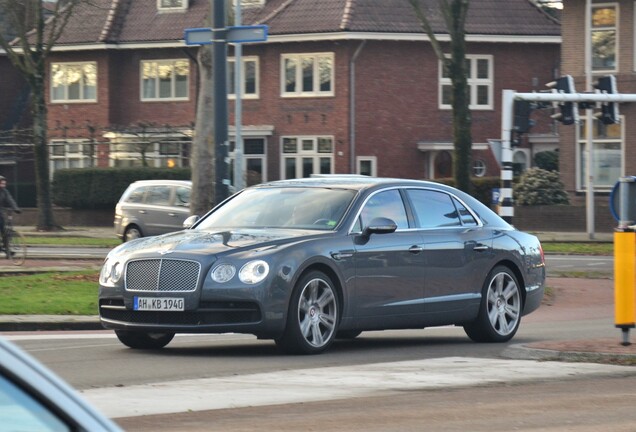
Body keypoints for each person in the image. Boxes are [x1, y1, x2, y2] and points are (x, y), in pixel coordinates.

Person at [0, 176, 21, 258]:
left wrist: (16, 208)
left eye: (4, 183)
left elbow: (10, 200)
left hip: (0, 213)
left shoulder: (4, 191)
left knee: (5, 231)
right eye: (1, 183)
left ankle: (7, 249)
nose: (3, 184)